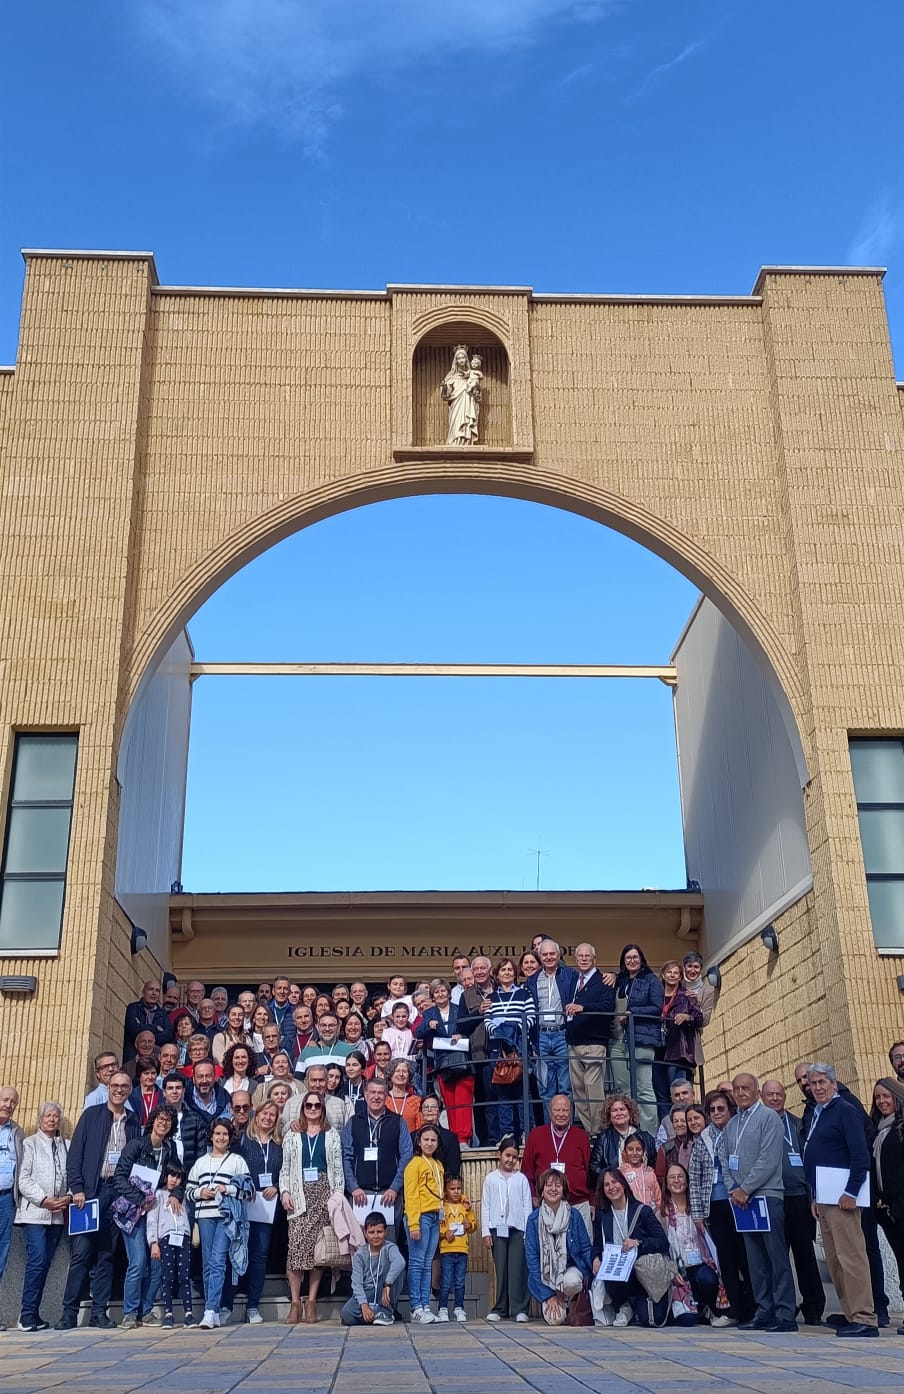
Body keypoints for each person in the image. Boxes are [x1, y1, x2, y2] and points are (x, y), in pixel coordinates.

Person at [56, 1071, 141, 1329]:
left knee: (107, 1254)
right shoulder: (92, 1115)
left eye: (124, 1086)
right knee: (81, 1254)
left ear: (129, 1090)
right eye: (115, 1085)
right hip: (90, 1194)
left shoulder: (133, 1120)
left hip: (117, 1193)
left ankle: (99, 1313)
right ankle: (68, 1313)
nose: (119, 1090)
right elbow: (75, 1156)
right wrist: (77, 1189)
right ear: (108, 1087)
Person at [804, 1062, 877, 1337]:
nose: (818, 1087)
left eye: (823, 1082)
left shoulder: (844, 1110)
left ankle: (865, 1317)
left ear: (834, 1084)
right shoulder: (819, 1112)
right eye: (813, 1083)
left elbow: (860, 1154)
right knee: (835, 1259)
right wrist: (815, 1196)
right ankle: (850, 1312)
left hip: (843, 1197)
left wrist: (851, 1192)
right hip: (824, 1197)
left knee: (851, 1257)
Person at [718, 1072, 797, 1331]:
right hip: (741, 1201)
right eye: (737, 1089)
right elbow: (724, 1159)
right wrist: (734, 1189)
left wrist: (746, 1188)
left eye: (746, 1088)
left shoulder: (768, 1118)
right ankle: (764, 1311)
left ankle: (784, 1314)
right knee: (755, 1260)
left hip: (766, 1195)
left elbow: (768, 1159)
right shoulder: (732, 1124)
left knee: (776, 1257)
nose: (741, 1093)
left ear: (757, 1092)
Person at [761, 1078, 824, 1326]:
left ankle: (813, 1307)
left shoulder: (797, 1123)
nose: (775, 1098)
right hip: (771, 1197)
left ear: (784, 1096)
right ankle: (783, 1306)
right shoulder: (759, 1124)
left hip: (797, 1197)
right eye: (770, 1094)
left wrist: (813, 1194)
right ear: (762, 1097)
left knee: (804, 1254)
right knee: (776, 1257)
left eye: (779, 1094)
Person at [280, 1090, 344, 1325]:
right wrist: (284, 1191)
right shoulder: (292, 1134)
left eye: (317, 1106)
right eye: (309, 1105)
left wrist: (337, 1197)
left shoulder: (332, 1134)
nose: (313, 1109)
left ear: (323, 1109)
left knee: (318, 1251)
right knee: (296, 1249)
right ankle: (295, 1302)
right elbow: (285, 1167)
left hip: (323, 1194)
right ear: (303, 1108)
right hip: (299, 1194)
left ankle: (312, 1301)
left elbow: (337, 1168)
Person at [688, 1089, 752, 1325]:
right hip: (714, 1205)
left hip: (740, 1202)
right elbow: (694, 1177)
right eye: (712, 1109)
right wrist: (697, 1213)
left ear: (730, 1110)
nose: (716, 1113)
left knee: (747, 1256)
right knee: (726, 1259)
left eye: (721, 1108)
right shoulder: (702, 1139)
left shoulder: (739, 1131)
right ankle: (732, 1310)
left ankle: (755, 1308)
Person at [113, 1104, 178, 1329]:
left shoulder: (169, 1148)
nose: (163, 1123)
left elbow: (177, 1175)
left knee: (157, 1264)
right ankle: (130, 1313)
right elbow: (119, 1178)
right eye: (160, 1118)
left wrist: (176, 1194)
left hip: (156, 1213)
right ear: (152, 1120)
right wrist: (140, 1199)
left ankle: (146, 1310)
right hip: (133, 1212)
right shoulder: (136, 1145)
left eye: (168, 1120)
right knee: (138, 1262)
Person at [220, 1099, 283, 1325]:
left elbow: (286, 1171)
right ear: (256, 1115)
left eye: (272, 1115)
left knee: (259, 1257)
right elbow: (233, 1169)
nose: (267, 1117)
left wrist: (277, 1185)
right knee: (235, 1254)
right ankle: (226, 1304)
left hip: (266, 1207)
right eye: (264, 1113)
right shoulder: (243, 1140)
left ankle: (253, 1306)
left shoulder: (279, 1144)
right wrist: (244, 1188)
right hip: (244, 1205)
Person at [186, 1119, 253, 1329]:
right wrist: (200, 1192)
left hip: (227, 1217)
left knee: (218, 1261)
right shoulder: (200, 1162)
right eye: (217, 1134)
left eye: (225, 1134)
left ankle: (210, 1310)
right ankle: (213, 1310)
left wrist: (228, 1189)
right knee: (207, 1263)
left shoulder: (237, 1161)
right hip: (204, 1216)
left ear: (230, 1137)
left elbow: (249, 1190)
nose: (221, 1138)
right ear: (211, 1136)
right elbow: (188, 1191)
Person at [592, 1165, 671, 1327]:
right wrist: (595, 1258)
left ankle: (637, 1304)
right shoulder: (602, 1214)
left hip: (641, 1274)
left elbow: (663, 1242)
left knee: (650, 1319)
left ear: (623, 1183)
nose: (611, 1187)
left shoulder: (643, 1211)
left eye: (615, 1182)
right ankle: (623, 1305)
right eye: (606, 1185)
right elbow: (598, 1244)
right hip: (617, 1274)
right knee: (608, 1270)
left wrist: (639, 1243)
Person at [14, 1100, 69, 1332]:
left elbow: (72, 1174)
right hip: (34, 1213)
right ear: (39, 1119)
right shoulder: (30, 1143)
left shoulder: (66, 1144)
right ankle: (26, 1314)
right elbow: (23, 1179)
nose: (52, 1119)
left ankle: (34, 1313)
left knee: (45, 1264)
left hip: (57, 1215)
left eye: (55, 1116)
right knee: (37, 1260)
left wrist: (68, 1197)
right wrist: (43, 1199)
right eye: (47, 1116)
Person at [342, 1078, 413, 1240]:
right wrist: (353, 1187)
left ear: (386, 1095)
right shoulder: (354, 1122)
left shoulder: (397, 1121)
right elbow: (346, 1157)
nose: (376, 1097)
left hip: (389, 1194)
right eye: (372, 1092)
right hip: (361, 1194)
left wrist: (395, 1187)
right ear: (365, 1094)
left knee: (389, 1243)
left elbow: (407, 1155)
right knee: (360, 1244)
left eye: (380, 1093)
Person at [608, 945, 664, 1135]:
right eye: (628, 958)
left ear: (641, 959)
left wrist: (633, 1013)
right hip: (617, 1039)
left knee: (643, 1088)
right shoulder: (620, 980)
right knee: (622, 1088)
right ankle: (628, 1131)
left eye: (635, 957)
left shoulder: (651, 980)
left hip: (641, 1039)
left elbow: (657, 1007)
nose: (631, 961)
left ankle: (648, 1133)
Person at [525, 1168, 592, 1325]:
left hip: (569, 1270)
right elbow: (532, 1260)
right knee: (555, 1320)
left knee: (572, 1282)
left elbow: (585, 1248)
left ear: (564, 1190)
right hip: (546, 1277)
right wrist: (549, 1296)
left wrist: (594, 1273)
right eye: (548, 1185)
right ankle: (558, 1301)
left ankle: (570, 1299)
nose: (553, 1189)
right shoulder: (533, 1220)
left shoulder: (574, 1215)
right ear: (542, 1191)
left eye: (558, 1185)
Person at [658, 1162, 722, 1325]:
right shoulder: (660, 1213)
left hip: (701, 1263)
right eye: (672, 1177)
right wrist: (670, 1271)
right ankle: (692, 1310)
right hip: (676, 1268)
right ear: (666, 1183)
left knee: (707, 1280)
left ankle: (707, 1307)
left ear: (687, 1181)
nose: (677, 1180)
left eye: (680, 1176)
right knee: (687, 1321)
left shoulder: (699, 1208)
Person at [522, 1094, 593, 1238]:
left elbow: (590, 1172)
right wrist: (533, 1195)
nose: (561, 1114)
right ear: (550, 1112)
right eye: (557, 1110)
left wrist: (592, 1201)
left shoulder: (581, 1136)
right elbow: (526, 1171)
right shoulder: (536, 1135)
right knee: (549, 1248)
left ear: (571, 1112)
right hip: (546, 1205)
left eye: (565, 1110)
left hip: (578, 1204)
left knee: (582, 1247)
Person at [414, 977, 474, 1144]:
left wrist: (461, 1035)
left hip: (462, 1063)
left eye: (443, 991)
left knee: (463, 1103)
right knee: (450, 1105)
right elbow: (418, 1032)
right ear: (432, 996)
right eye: (436, 992)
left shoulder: (459, 1009)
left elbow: (471, 1029)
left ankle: (464, 1139)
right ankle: (454, 1139)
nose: (440, 994)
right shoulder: (430, 1013)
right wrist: (429, 1025)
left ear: (448, 993)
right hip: (443, 1065)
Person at [565, 942, 614, 1136]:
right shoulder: (573, 980)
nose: (584, 959)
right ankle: (590, 1131)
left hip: (594, 1042)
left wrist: (583, 1008)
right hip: (574, 1042)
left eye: (587, 956)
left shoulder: (604, 980)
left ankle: (599, 1131)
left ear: (594, 959)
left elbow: (608, 1007)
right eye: (580, 956)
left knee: (593, 1089)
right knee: (578, 1091)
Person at [486, 956, 535, 1145]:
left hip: (519, 1047)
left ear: (515, 974)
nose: (506, 973)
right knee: (503, 1092)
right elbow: (487, 1021)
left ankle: (526, 1131)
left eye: (510, 970)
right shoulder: (491, 997)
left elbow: (531, 1017)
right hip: (499, 1050)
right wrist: (500, 1033)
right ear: (497, 975)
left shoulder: (524, 994)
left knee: (523, 1092)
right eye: (503, 970)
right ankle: (507, 1133)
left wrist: (515, 1030)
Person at [481, 1136, 532, 1322]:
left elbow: (527, 1206)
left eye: (514, 1157)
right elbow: (485, 1206)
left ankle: (520, 1309)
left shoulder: (521, 1179)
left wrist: (527, 1233)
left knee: (517, 1269)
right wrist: (486, 1232)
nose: (510, 1160)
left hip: (518, 1230)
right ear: (499, 1155)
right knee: (501, 1270)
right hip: (497, 1229)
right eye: (507, 1155)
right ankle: (501, 1308)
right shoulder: (490, 1179)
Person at [527, 940, 577, 1120]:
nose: (548, 957)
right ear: (539, 956)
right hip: (541, 1035)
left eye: (552, 954)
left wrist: (612, 975)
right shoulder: (532, 979)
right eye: (545, 954)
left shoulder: (570, 975)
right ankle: (550, 1130)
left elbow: (588, 981)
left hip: (562, 1033)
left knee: (565, 1086)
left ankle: (567, 1129)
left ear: (558, 955)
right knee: (545, 1087)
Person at [870, 1076, 904, 1319]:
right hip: (886, 1207)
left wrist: (888, 1196)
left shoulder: (901, 1128)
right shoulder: (878, 1128)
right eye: (877, 1097)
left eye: (886, 1096)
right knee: (900, 1258)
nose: (881, 1101)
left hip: (899, 1202)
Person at [404, 1124, 444, 1322]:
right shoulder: (414, 1164)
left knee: (428, 1263)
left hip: (435, 1216)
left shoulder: (438, 1165)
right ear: (418, 1142)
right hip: (419, 1217)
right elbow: (411, 1195)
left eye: (433, 1140)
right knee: (417, 1262)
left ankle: (426, 1305)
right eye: (426, 1140)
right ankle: (415, 1307)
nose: (429, 1143)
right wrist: (414, 1224)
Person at [146, 1162, 194, 1327]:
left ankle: (189, 1314)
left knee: (184, 1276)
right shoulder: (158, 1195)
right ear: (165, 1176)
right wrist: (153, 1242)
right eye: (172, 1175)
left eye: (178, 1177)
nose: (174, 1180)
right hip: (165, 1238)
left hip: (183, 1237)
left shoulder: (182, 1195)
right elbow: (152, 1220)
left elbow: (189, 1214)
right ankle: (168, 1314)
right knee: (167, 1276)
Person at [340, 1212, 405, 1326]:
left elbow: (400, 1262)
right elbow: (356, 1283)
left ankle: (386, 1311)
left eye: (379, 1232)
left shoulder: (390, 1248)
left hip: (384, 1289)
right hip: (367, 1292)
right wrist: (364, 1305)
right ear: (365, 1233)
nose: (375, 1236)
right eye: (371, 1232)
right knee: (346, 1315)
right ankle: (378, 1314)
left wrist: (387, 1283)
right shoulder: (360, 1255)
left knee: (398, 1269)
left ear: (385, 1232)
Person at [656, 960, 703, 1116]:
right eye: (669, 972)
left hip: (678, 1051)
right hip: (658, 1050)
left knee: (679, 1092)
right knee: (661, 1094)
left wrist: (687, 1017)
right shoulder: (655, 996)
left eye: (676, 973)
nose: (672, 975)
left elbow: (699, 1018)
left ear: (680, 977)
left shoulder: (686, 996)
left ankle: (683, 1120)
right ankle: (666, 1124)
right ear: (663, 975)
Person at [589, 1094, 656, 1181]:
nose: (619, 1113)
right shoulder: (603, 1138)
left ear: (630, 1112)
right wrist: (613, 1175)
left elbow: (654, 1165)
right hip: (614, 1185)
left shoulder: (646, 1138)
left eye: (622, 1109)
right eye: (614, 1110)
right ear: (609, 1115)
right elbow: (594, 1168)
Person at [436, 1174, 475, 1322]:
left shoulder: (465, 1206)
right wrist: (445, 1233)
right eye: (452, 1188)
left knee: (460, 1282)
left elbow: (473, 1224)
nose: (456, 1191)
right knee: (446, 1282)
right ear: (446, 1190)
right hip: (447, 1251)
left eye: (459, 1188)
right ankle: (442, 1309)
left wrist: (469, 1225)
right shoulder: (443, 1207)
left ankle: (459, 1308)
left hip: (462, 1250)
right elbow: (439, 1226)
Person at [681, 951, 716, 1078]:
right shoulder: (678, 987)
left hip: (693, 1039)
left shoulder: (708, 990)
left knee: (689, 1076)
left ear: (701, 969)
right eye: (689, 966)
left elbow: (705, 1019)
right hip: (675, 1037)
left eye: (696, 967)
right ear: (684, 967)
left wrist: (694, 1002)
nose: (692, 970)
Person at [441, 345, 481, 445]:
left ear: (466, 359)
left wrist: (475, 389)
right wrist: (445, 387)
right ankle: (455, 441)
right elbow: (446, 393)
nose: (461, 360)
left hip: (468, 401)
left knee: (467, 421)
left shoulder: (471, 374)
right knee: (456, 422)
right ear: (456, 361)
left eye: (463, 357)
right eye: (459, 358)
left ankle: (467, 441)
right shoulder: (451, 375)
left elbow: (477, 392)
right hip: (456, 402)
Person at [417, 1093, 461, 1181]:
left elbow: (453, 1168)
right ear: (421, 1113)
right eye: (425, 1107)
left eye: (433, 1107)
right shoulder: (413, 1136)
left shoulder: (450, 1137)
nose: (429, 1110)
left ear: (440, 1112)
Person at [124, 981, 172, 1060]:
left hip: (155, 1059)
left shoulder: (163, 1013)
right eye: (151, 989)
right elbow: (132, 1029)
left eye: (157, 991)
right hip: (133, 1058)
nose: (154, 993)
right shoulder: (133, 1008)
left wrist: (147, 1038)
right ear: (143, 992)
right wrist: (156, 1028)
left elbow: (168, 1035)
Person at [620, 1132, 661, 1210]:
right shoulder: (621, 1173)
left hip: (650, 1213)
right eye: (630, 1149)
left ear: (643, 1152)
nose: (634, 1153)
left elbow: (658, 1199)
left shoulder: (649, 1173)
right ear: (625, 1152)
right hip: (630, 1214)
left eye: (638, 1149)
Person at [384, 1058, 422, 1133]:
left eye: (404, 1071)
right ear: (390, 1074)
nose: (401, 1074)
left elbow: (420, 1130)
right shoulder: (383, 1099)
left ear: (409, 1076)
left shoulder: (417, 1101)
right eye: (397, 1071)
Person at [129, 1058, 163, 1125]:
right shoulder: (131, 1096)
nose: (150, 1077)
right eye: (146, 1073)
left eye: (153, 1073)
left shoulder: (163, 1095)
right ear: (139, 1075)